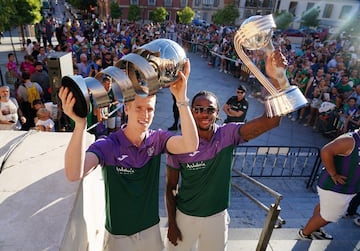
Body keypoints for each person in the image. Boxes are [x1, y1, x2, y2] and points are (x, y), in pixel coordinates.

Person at [58, 59, 199, 251]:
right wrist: (80, 125)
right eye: (139, 108)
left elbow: (190, 144)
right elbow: (74, 173)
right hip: (118, 237)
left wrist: (181, 98)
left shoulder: (156, 140)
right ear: (127, 108)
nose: (145, 115)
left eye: (150, 109)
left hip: (150, 232)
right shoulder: (109, 144)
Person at [165, 50, 286, 251]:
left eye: (209, 109)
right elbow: (170, 187)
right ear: (190, 111)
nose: (204, 114)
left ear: (218, 112)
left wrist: (276, 78)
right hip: (185, 216)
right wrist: (172, 222)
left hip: (217, 218)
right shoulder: (179, 145)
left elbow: (272, 121)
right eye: (198, 109)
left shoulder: (228, 134)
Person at [298, 130, 360, 240]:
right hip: (336, 188)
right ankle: (305, 233)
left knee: (324, 208)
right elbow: (326, 151)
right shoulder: (350, 140)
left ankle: (314, 229)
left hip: (346, 188)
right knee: (330, 216)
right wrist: (334, 174)